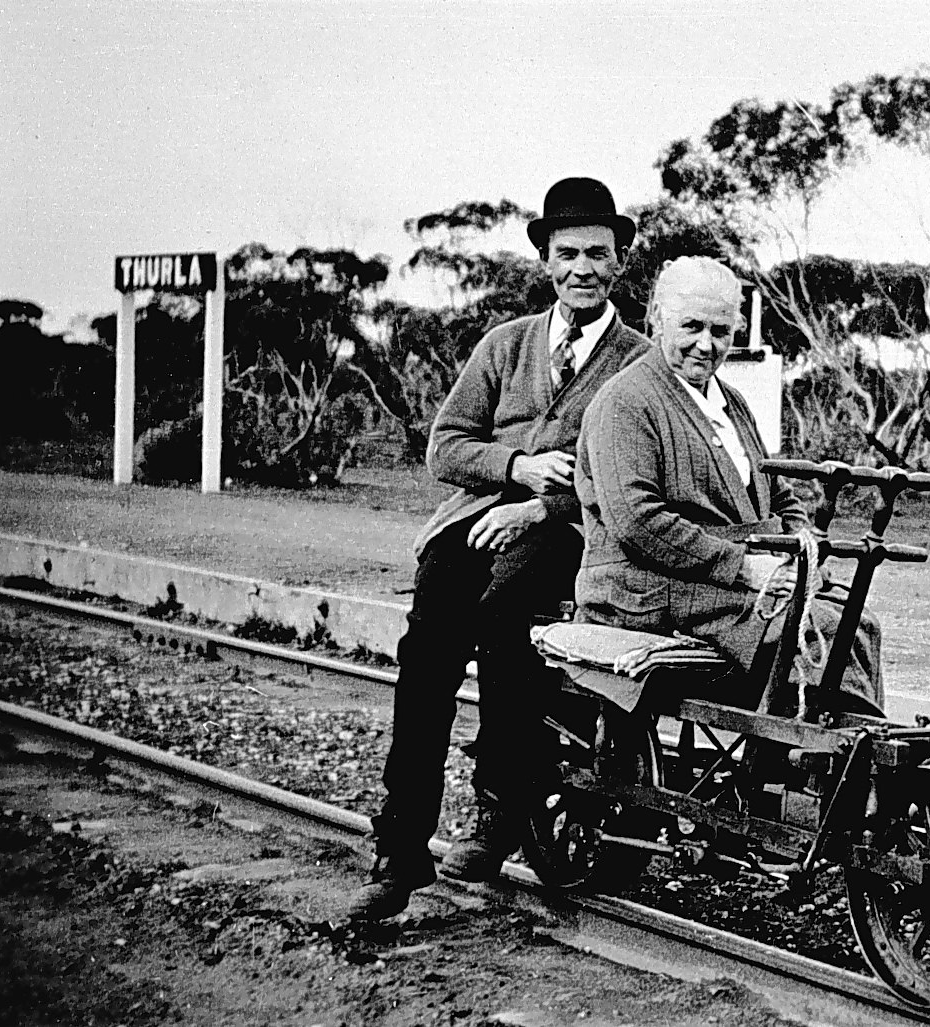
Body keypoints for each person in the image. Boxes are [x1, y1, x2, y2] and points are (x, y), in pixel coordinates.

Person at [348, 178, 652, 921]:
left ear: (620, 263)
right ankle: (401, 846)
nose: (583, 267)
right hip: (476, 521)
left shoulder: (639, 361)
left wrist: (546, 500)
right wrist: (513, 469)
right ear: (547, 260)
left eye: (599, 254)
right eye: (568, 253)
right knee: (427, 647)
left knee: (507, 613)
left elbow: (636, 477)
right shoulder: (505, 344)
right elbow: (445, 446)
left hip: (573, 533)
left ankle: (501, 805)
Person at [575, 256, 882, 713]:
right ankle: (816, 761)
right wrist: (746, 567)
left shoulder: (730, 401)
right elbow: (636, 522)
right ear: (658, 318)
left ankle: (837, 758)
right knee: (817, 625)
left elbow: (776, 491)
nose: (705, 345)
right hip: (647, 588)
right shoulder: (625, 401)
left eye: (720, 331)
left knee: (857, 620)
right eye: (691, 327)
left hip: (718, 586)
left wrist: (802, 548)